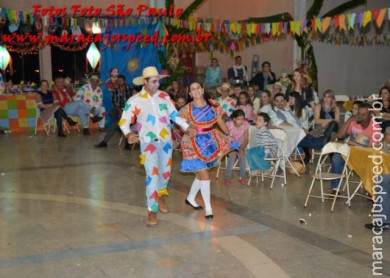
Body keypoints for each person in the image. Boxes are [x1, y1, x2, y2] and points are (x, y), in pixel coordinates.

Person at [119, 66, 195, 227]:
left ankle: (160, 194)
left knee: (166, 174)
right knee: (152, 176)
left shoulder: (165, 97)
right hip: (148, 143)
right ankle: (152, 210)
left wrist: (187, 127)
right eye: (153, 81)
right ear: (144, 82)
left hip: (166, 142)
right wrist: (127, 134)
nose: (157, 84)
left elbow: (174, 115)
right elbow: (124, 121)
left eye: (158, 81)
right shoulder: (134, 100)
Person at [180, 81, 239, 219]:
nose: (196, 91)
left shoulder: (213, 104)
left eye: (198, 88)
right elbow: (181, 124)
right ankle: (208, 208)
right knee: (205, 175)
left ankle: (190, 198)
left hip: (211, 141)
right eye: (192, 89)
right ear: (190, 93)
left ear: (202, 89)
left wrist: (228, 135)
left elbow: (220, 122)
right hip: (192, 144)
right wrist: (188, 130)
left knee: (200, 175)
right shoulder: (186, 109)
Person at [330, 102, 377, 193]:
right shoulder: (354, 122)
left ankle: (371, 191)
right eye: (359, 114)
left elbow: (373, 148)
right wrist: (350, 119)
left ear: (370, 115)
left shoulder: (375, 127)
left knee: (374, 162)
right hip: (350, 152)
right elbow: (339, 135)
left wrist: (359, 145)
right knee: (336, 156)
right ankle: (335, 188)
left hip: (365, 155)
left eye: (364, 115)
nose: (361, 117)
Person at [273, 93, 327, 164]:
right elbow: (279, 122)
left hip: (304, 131)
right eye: (277, 101)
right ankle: (324, 142)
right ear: (274, 102)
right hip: (295, 133)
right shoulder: (279, 111)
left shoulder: (298, 110)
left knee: (325, 126)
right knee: (319, 134)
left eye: (292, 99)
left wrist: (303, 129)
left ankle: (324, 141)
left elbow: (300, 124)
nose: (290, 101)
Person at [95, 75, 134, 148]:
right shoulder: (115, 90)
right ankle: (120, 126)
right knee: (112, 112)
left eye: (121, 80)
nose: (119, 82)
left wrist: (125, 111)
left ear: (124, 81)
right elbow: (114, 102)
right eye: (118, 81)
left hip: (129, 110)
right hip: (119, 108)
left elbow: (133, 101)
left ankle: (105, 141)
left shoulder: (129, 88)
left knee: (116, 123)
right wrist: (120, 111)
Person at [225, 109, 249, 185]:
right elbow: (224, 137)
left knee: (242, 156)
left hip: (240, 144)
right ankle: (227, 178)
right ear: (234, 119)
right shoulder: (228, 125)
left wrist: (242, 149)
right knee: (232, 156)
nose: (241, 121)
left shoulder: (245, 124)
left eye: (242, 119)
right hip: (229, 144)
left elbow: (246, 138)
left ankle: (243, 177)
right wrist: (231, 149)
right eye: (238, 119)